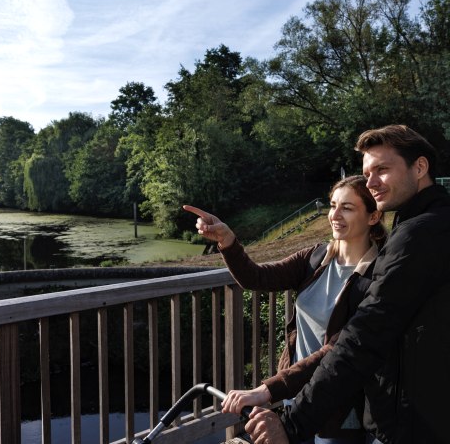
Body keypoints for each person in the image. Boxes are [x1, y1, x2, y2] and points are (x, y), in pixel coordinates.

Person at [239, 124, 450, 444]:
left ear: (419, 167)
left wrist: (293, 424)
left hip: (411, 425)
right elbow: (258, 277)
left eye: (382, 169)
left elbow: (363, 336)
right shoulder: (424, 226)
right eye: (367, 173)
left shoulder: (416, 236)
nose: (372, 182)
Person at [184, 174, 386, 444]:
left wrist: (267, 390)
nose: (334, 215)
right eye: (333, 205)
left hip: (339, 403)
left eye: (347, 208)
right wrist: (227, 240)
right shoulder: (315, 257)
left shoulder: (378, 276)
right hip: (296, 395)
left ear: (373, 217)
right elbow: (257, 278)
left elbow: (337, 350)